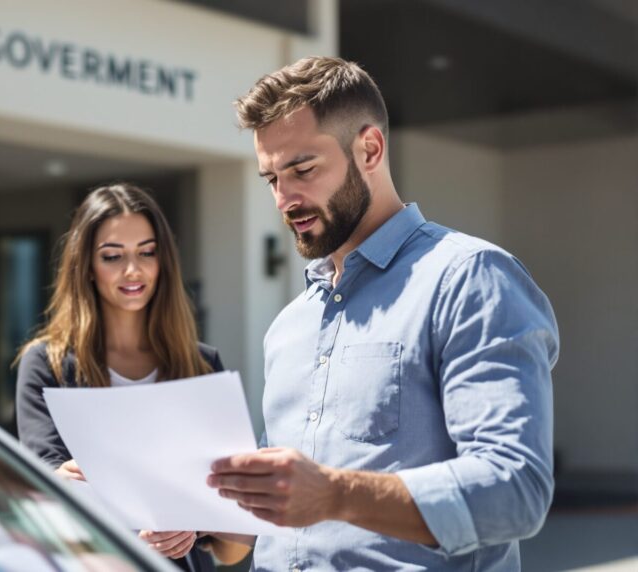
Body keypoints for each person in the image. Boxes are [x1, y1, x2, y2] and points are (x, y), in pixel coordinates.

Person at [206, 57, 559, 571]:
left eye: (303, 170)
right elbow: (273, 513)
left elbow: (516, 488)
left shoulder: (469, 278)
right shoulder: (290, 325)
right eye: (271, 179)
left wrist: (335, 494)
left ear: (369, 148)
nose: (285, 199)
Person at [16, 183, 250, 571]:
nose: (133, 270)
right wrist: (62, 483)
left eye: (147, 252)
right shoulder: (47, 365)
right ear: (86, 265)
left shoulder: (201, 365)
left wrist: (195, 523)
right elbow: (44, 493)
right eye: (112, 256)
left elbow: (233, 548)